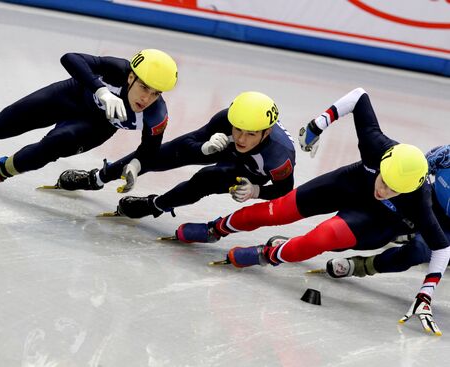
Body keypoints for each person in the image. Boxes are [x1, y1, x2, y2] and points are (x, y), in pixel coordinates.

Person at [176, 88, 450, 336]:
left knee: (322, 238)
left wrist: (426, 293)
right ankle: (217, 228)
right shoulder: (376, 146)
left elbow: (442, 247)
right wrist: (318, 125)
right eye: (384, 181)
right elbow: (359, 97)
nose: (384, 190)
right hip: (351, 183)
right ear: (382, 164)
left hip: (379, 219)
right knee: (279, 211)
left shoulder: (419, 201)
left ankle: (269, 254)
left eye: (394, 190)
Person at [0, 49, 178, 186]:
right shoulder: (116, 69)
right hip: (72, 95)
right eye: (144, 88)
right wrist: (101, 90)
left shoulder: (156, 115)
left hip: (94, 126)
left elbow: (149, 151)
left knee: (55, 143)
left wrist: (135, 166)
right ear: (130, 76)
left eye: (156, 93)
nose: (147, 98)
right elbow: (70, 58)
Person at [56, 91, 296, 219]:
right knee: (158, 154)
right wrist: (205, 148)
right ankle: (97, 178)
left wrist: (256, 191)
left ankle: (155, 205)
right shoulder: (227, 118)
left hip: (250, 170)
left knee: (205, 179)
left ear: (266, 132)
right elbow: (187, 144)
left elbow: (284, 190)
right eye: (238, 130)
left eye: (251, 134)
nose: (242, 139)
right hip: (222, 146)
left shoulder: (279, 157)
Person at [325, 144, 450, 278]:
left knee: (417, 250)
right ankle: (409, 231)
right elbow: (416, 174)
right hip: (431, 202)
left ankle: (364, 266)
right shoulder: (445, 155)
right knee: (393, 207)